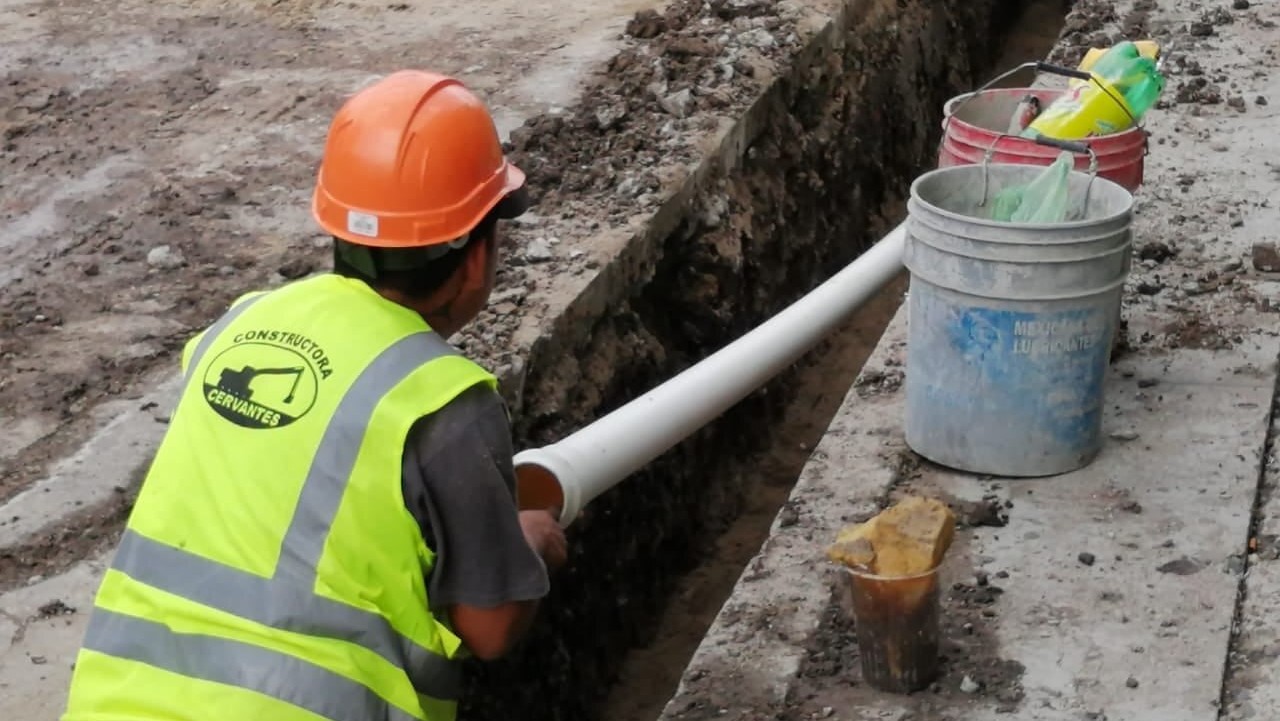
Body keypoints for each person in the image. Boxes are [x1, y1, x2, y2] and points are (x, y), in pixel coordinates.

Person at [59, 69, 568, 721]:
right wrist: (528, 544)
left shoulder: (232, 330)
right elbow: (491, 628)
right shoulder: (444, 401)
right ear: (475, 258)